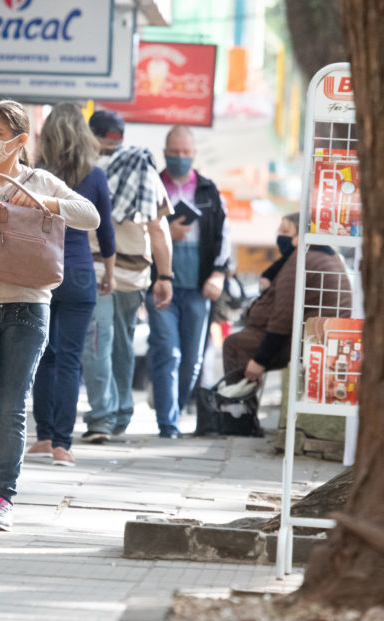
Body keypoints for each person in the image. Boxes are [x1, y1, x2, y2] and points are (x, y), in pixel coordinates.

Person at [0, 100, 99, 531]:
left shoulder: (41, 181)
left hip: (30, 304)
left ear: (19, 141)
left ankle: (3, 499)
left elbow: (90, 216)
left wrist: (46, 203)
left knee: (13, 407)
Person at [26, 103, 115, 467]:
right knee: (70, 359)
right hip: (79, 273)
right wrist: (109, 272)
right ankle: (63, 445)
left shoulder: (35, 175)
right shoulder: (94, 177)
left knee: (43, 356)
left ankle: (44, 437)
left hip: (41, 272)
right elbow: (105, 232)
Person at [79, 110, 174, 443]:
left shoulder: (81, 169)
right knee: (118, 343)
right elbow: (158, 229)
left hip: (95, 270)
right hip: (133, 276)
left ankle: (105, 416)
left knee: (98, 342)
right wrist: (166, 276)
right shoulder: (143, 168)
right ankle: (116, 412)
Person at [146, 125, 231, 438]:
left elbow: (224, 236)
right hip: (160, 283)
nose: (180, 157)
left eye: (185, 152)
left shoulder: (209, 190)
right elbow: (135, 230)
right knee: (167, 351)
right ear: (165, 153)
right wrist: (167, 235)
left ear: (194, 154)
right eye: (174, 152)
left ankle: (177, 409)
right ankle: (168, 423)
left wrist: (218, 273)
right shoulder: (152, 185)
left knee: (192, 359)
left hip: (199, 287)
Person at [222, 213, 352, 383]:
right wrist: (269, 275)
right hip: (319, 336)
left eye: (285, 231)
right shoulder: (321, 255)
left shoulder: (301, 260)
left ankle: (237, 398)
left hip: (308, 340)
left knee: (235, 344)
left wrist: (260, 360)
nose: (280, 235)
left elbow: (283, 316)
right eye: (279, 230)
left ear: (300, 235)